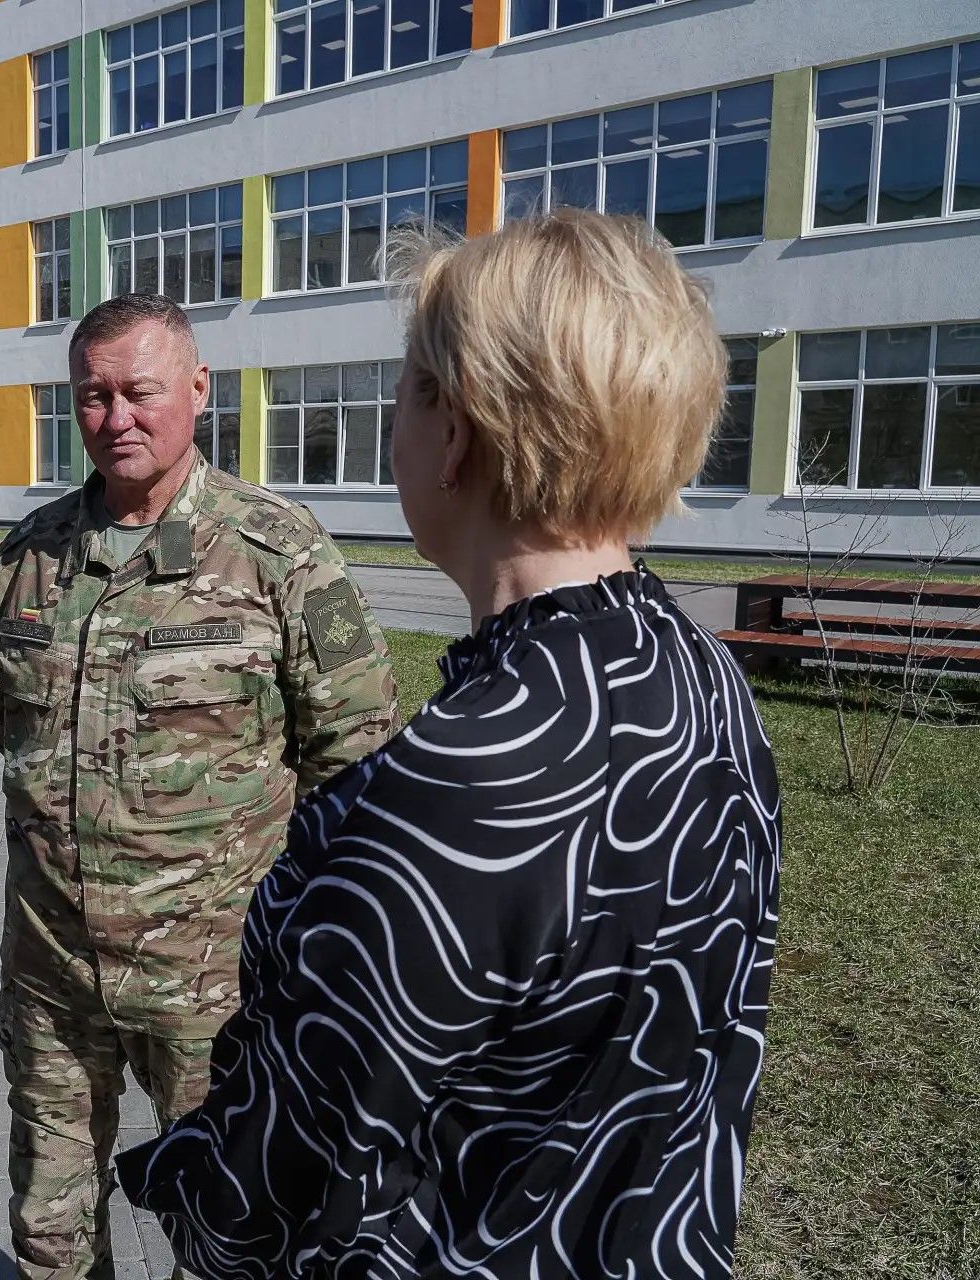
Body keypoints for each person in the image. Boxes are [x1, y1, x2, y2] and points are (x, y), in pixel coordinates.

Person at [116, 210, 783, 1278]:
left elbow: (267, 1199)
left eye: (403, 390)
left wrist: (183, 1175)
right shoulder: (704, 679)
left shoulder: (446, 792)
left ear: (456, 428)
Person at [0, 293, 398, 1279]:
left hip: (214, 989)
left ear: (199, 390)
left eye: (140, 392)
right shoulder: (32, 554)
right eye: (93, 396)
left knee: (234, 1233)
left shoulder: (279, 549)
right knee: (48, 1229)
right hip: (51, 970)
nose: (116, 417)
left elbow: (357, 760)